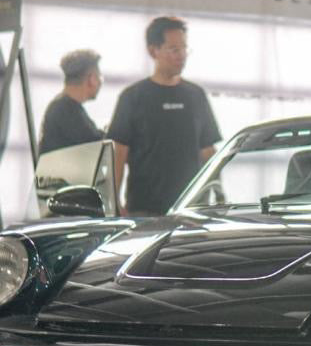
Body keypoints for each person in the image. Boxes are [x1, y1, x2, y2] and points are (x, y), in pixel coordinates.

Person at [108, 16, 221, 216]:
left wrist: (220, 195)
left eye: (184, 49)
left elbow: (208, 150)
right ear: (153, 51)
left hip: (192, 209)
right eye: (174, 49)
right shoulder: (133, 97)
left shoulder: (196, 95)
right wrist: (114, 202)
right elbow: (119, 153)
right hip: (144, 209)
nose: (182, 56)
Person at [38, 49, 105, 156]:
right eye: (99, 77)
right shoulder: (66, 109)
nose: (100, 82)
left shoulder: (62, 107)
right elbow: (96, 142)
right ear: (91, 79)